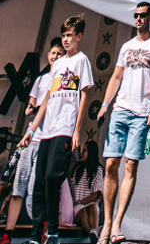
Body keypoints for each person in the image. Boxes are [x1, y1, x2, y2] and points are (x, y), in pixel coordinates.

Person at [97, 1, 150, 244]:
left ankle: (117, 223)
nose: (138, 19)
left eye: (142, 15)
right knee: (110, 164)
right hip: (121, 109)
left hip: (142, 111)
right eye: (136, 15)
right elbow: (116, 76)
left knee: (130, 166)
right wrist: (105, 105)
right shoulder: (126, 47)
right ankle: (106, 224)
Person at [19, 15, 93, 244]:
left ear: (79, 36)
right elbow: (47, 99)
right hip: (46, 130)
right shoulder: (58, 65)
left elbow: (83, 95)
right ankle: (35, 235)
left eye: (70, 35)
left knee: (53, 177)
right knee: (39, 181)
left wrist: (77, 130)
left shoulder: (82, 61)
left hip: (65, 128)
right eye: (64, 35)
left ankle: (53, 231)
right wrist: (30, 132)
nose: (66, 39)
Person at [1, 39, 65, 244]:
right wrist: (33, 109)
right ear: (48, 55)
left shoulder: (66, 81)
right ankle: (7, 233)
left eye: (59, 54)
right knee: (19, 185)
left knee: (41, 187)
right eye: (53, 53)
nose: (55, 57)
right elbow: (30, 107)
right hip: (32, 138)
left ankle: (40, 231)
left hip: (50, 139)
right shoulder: (40, 80)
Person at [69, 141, 103, 244]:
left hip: (88, 205)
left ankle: (93, 233)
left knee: (92, 206)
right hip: (77, 208)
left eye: (84, 151)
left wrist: (81, 202)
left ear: (91, 153)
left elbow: (96, 194)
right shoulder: (77, 169)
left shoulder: (98, 170)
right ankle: (94, 238)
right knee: (82, 212)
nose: (82, 153)